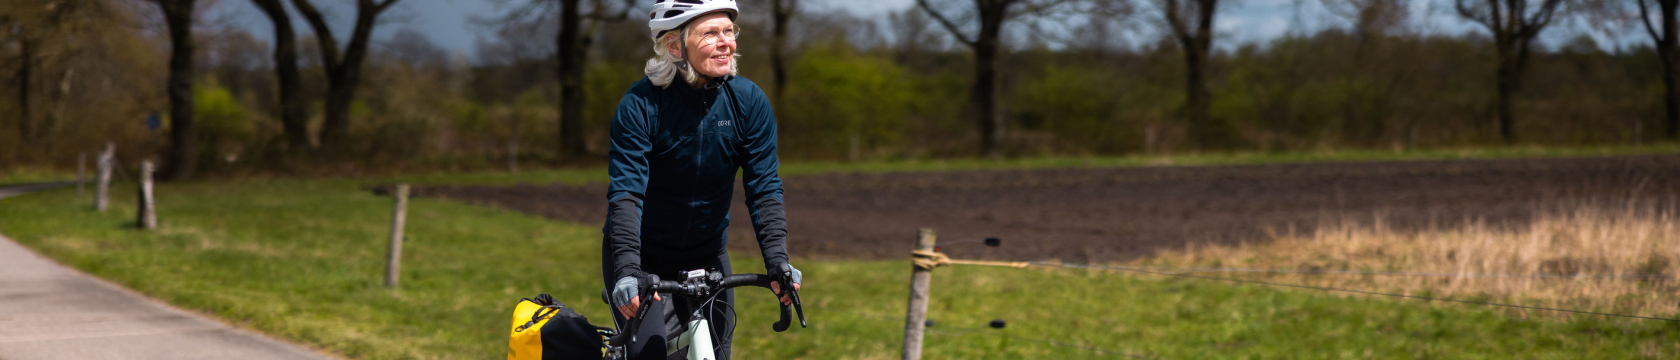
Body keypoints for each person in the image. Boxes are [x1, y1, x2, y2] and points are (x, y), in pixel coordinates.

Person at [601, 0, 801, 358]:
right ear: (675, 47)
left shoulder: (748, 102)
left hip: (707, 257)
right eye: (710, 33)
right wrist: (628, 270)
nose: (727, 42)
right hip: (644, 258)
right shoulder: (641, 104)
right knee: (650, 353)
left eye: (729, 31)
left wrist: (777, 261)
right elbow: (627, 193)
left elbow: (764, 188)